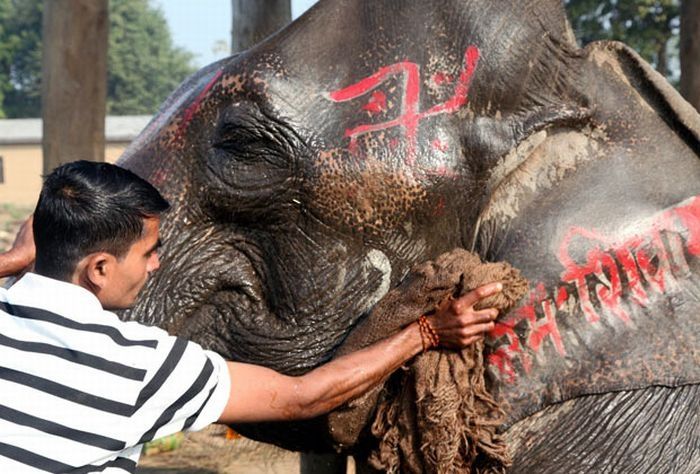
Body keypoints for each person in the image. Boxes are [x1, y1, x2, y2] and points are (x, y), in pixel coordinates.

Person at [0, 160, 502, 473]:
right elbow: (304, 396)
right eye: (148, 252)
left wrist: (11, 264)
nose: (156, 264)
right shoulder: (139, 367)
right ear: (100, 268)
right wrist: (427, 332)